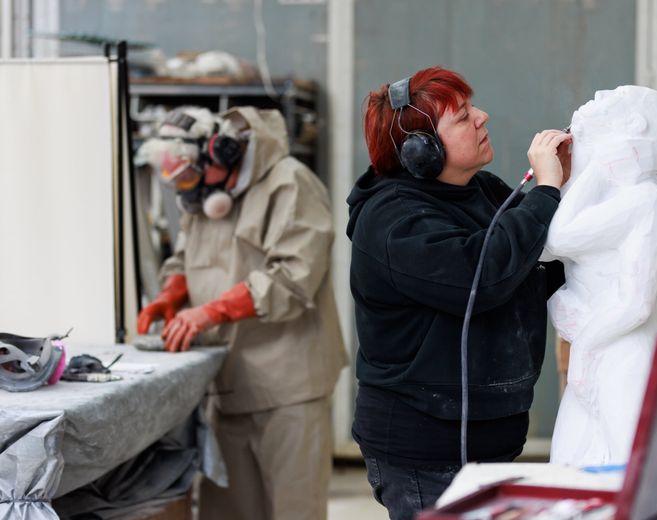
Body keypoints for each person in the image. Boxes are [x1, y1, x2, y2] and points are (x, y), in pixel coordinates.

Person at [346, 66, 571, 519]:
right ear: (420, 150)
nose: (482, 117)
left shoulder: (480, 191)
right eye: (464, 116)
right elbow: (483, 278)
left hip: (491, 440)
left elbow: (523, 262)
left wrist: (567, 185)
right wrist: (546, 190)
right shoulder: (393, 221)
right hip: (426, 452)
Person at [135, 106, 347, 520]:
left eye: (193, 177)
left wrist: (210, 312)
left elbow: (292, 278)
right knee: (226, 511)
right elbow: (184, 258)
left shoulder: (289, 183)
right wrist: (171, 294)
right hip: (227, 381)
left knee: (293, 509)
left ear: (223, 151)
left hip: (288, 388)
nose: (189, 190)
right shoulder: (202, 196)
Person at [541, 86, 657, 465]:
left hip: (622, 355)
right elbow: (546, 246)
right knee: (568, 466)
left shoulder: (644, 199)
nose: (598, 97)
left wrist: (597, 169)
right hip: (597, 350)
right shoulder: (610, 195)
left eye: (611, 99)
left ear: (634, 126)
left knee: (628, 475)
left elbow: (556, 237)